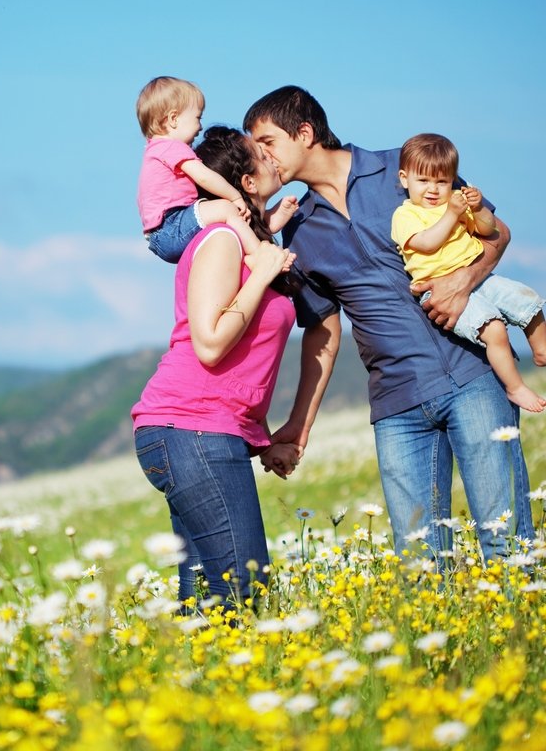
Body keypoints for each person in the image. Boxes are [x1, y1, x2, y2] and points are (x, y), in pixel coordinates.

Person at [243, 85, 535, 561]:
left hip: (473, 377)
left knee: (506, 544)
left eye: (267, 142)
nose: (260, 157)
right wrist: (299, 425)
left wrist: (463, 282)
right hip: (397, 407)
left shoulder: (406, 168)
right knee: (419, 564)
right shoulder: (298, 231)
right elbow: (322, 330)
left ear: (305, 132)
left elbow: (496, 232)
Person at [132, 126, 298, 608]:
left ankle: (194, 681)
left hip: (204, 429)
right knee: (245, 591)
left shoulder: (250, 244)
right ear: (245, 181)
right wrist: (263, 274)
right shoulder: (223, 238)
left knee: (207, 597)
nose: (272, 159)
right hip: (189, 429)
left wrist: (262, 434)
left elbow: (248, 359)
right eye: (262, 154)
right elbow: (209, 344)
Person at [392, 133, 546, 412]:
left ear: (452, 179)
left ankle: (541, 347)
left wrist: (479, 208)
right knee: (494, 329)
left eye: (442, 181)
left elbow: (488, 230)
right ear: (405, 179)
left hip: (476, 275)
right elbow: (426, 242)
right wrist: (452, 214)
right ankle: (516, 388)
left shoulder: (455, 202)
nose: (433, 189)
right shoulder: (406, 215)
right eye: (423, 180)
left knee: (527, 299)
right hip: (438, 289)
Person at [136, 76, 297, 264]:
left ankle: (265, 225)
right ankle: (259, 255)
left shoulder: (154, 150)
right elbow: (204, 177)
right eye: (197, 117)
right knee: (226, 208)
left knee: (229, 218)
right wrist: (235, 197)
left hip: (163, 234)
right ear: (173, 119)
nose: (200, 126)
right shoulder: (171, 147)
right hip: (171, 226)